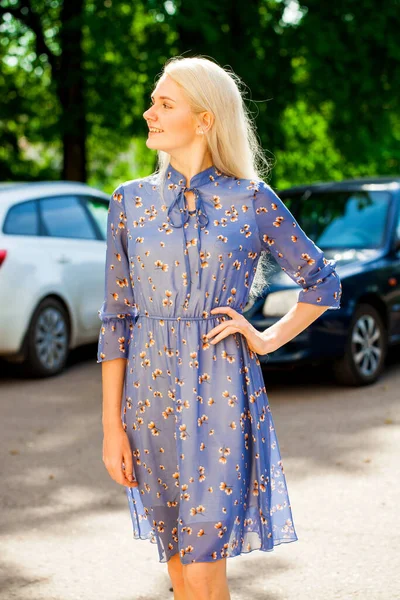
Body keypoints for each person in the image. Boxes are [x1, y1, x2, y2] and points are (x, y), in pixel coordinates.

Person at [97, 55, 342, 600]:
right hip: (147, 395)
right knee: (181, 565)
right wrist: (112, 427)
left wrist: (267, 336)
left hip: (221, 391)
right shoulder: (127, 203)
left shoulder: (251, 201)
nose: (148, 113)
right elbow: (116, 320)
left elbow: (322, 282)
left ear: (205, 119)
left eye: (165, 103)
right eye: (152, 101)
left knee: (205, 566)